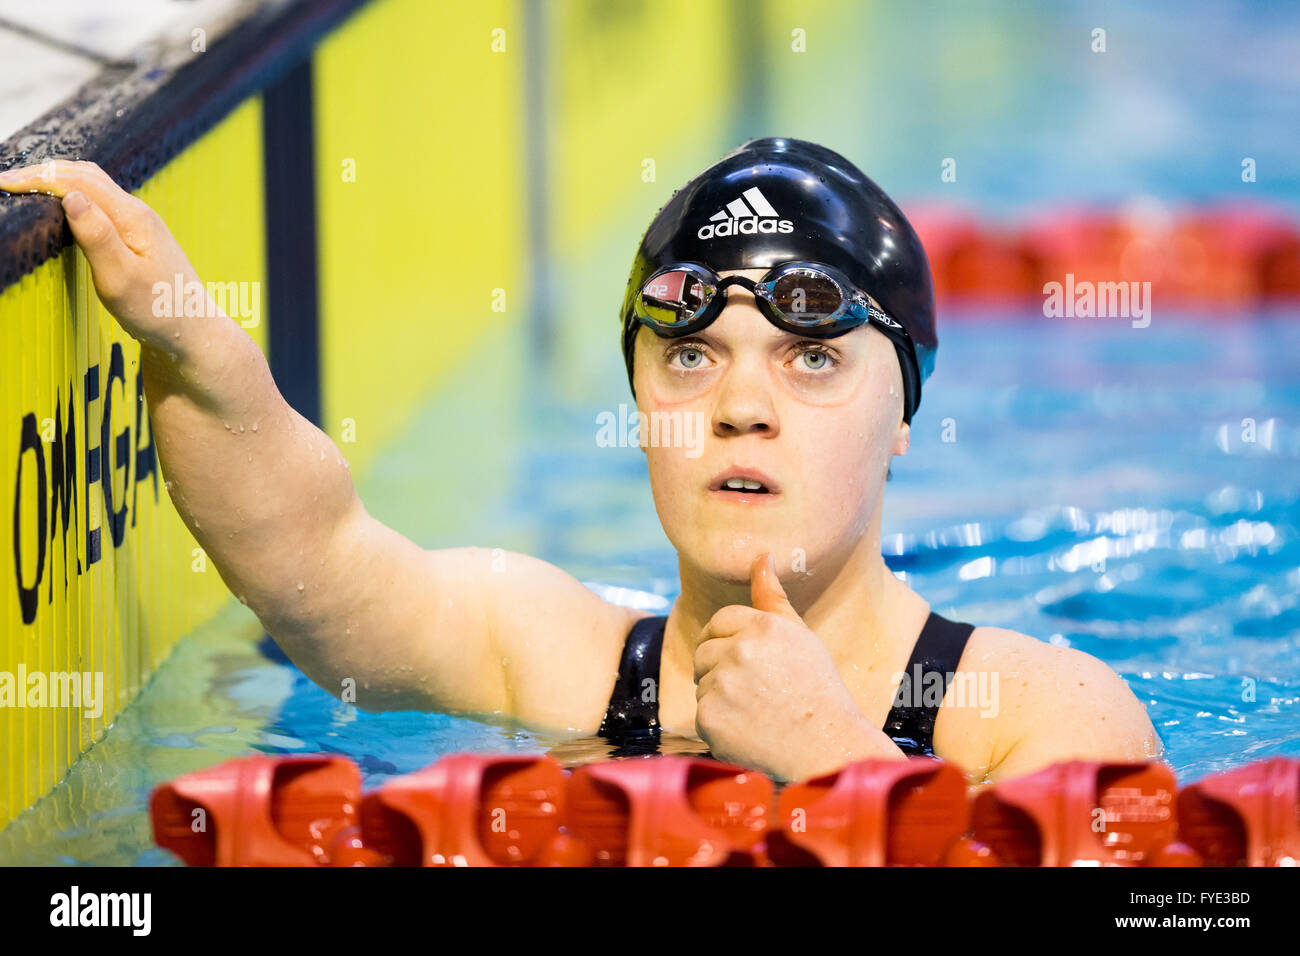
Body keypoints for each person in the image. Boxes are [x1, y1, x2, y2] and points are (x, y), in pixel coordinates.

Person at [0, 138, 1161, 784]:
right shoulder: (553, 658)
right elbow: (318, 565)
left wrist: (838, 759)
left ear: (903, 411)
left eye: (810, 361)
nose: (740, 407)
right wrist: (190, 339)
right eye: (691, 358)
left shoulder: (1040, 713)